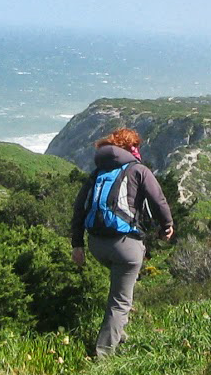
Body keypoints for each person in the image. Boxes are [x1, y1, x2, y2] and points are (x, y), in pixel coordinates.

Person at [71, 128, 174, 357]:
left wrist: (77, 245)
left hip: (96, 244)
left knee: (120, 288)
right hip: (125, 246)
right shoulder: (139, 170)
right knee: (119, 302)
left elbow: (79, 208)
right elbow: (158, 201)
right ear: (131, 148)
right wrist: (167, 226)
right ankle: (103, 355)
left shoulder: (97, 172)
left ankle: (118, 334)